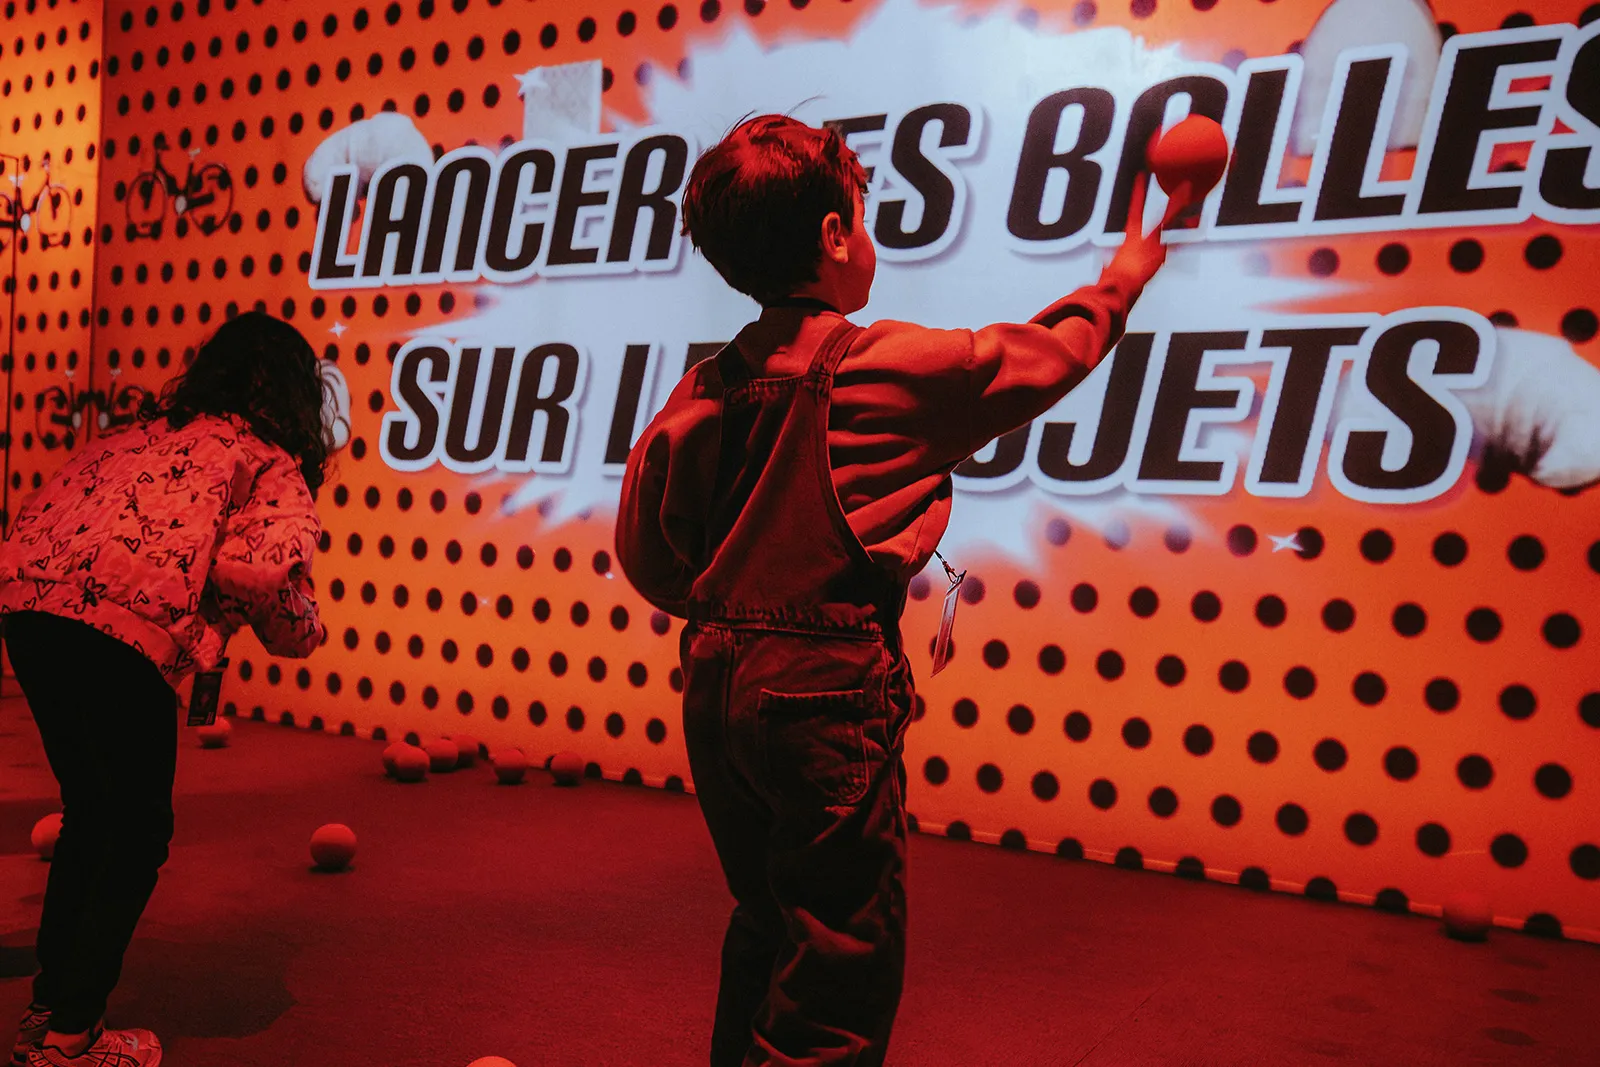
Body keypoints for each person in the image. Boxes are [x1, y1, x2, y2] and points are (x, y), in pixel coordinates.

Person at [615, 115, 1190, 1067]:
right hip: (825, 683)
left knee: (765, 917)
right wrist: (1128, 268)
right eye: (864, 217)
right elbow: (1051, 354)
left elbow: (647, 552)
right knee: (840, 949)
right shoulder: (887, 367)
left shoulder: (701, 389)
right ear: (837, 236)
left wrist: (729, 609)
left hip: (718, 681)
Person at [1, 311, 330, 1067]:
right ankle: (69, 1037)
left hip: (29, 609)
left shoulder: (141, 431)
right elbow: (259, 573)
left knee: (93, 813)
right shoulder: (265, 455)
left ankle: (50, 1011)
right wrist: (303, 628)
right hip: (125, 625)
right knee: (138, 830)